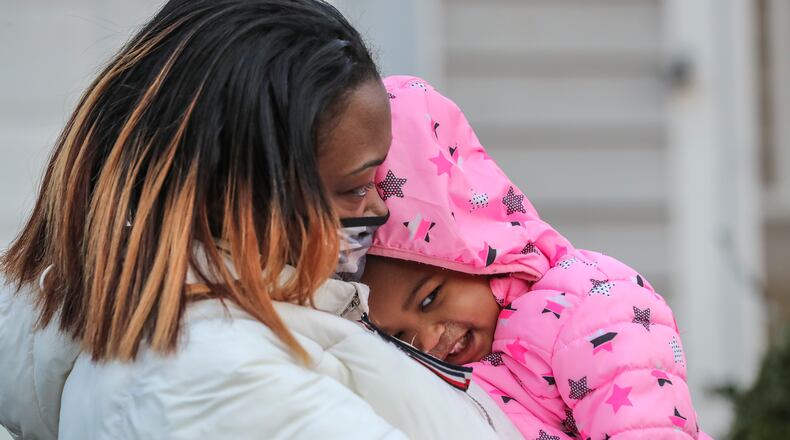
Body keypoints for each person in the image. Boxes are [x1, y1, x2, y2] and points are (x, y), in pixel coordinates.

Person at [0, 3, 521, 439]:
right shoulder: (215, 377)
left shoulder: (237, 330)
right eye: (355, 187)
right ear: (241, 189)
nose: (378, 212)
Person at [361, 75, 711, 439]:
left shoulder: (587, 305)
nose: (429, 339)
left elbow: (646, 429)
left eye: (430, 299)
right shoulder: (450, 380)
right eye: (400, 335)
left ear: (477, 249)